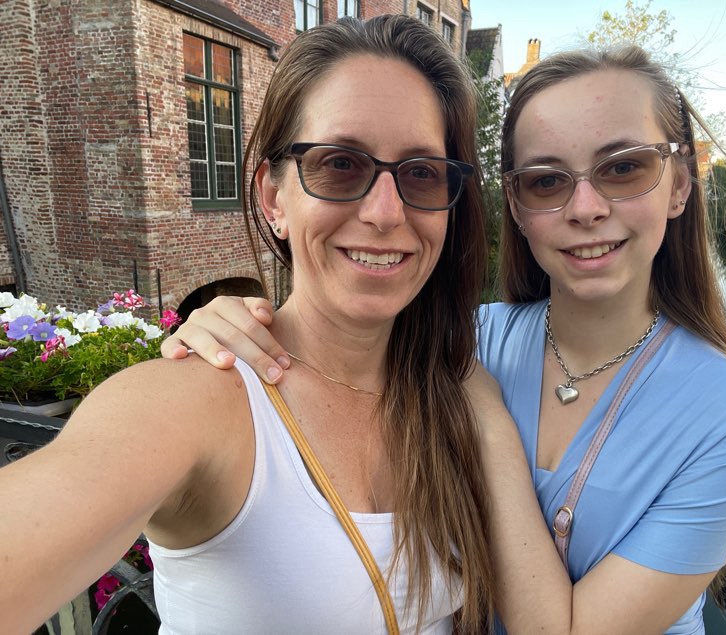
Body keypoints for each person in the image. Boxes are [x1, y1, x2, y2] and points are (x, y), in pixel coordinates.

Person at [163, 44, 726, 634]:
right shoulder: (465, 337)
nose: (586, 207)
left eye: (624, 168)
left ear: (680, 184)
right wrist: (229, 324)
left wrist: (487, 420)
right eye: (546, 180)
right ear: (515, 205)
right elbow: (330, 347)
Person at [0, 15, 497, 633]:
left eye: (421, 172)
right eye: (341, 164)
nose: (385, 212)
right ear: (273, 198)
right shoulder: (198, 398)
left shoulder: (452, 390)